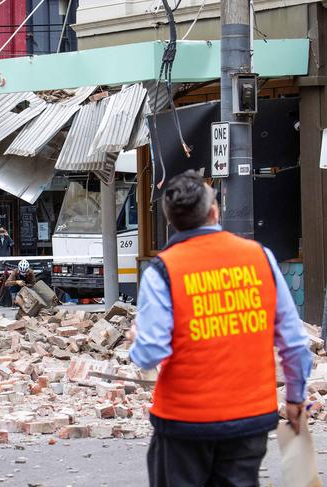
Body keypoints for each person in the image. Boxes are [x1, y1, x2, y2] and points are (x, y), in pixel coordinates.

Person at [128, 170, 312, 486]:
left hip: (184, 422)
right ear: (214, 212)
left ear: (171, 221)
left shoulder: (163, 271)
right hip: (249, 420)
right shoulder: (261, 258)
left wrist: (137, 340)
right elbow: (294, 341)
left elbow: (150, 354)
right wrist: (295, 399)